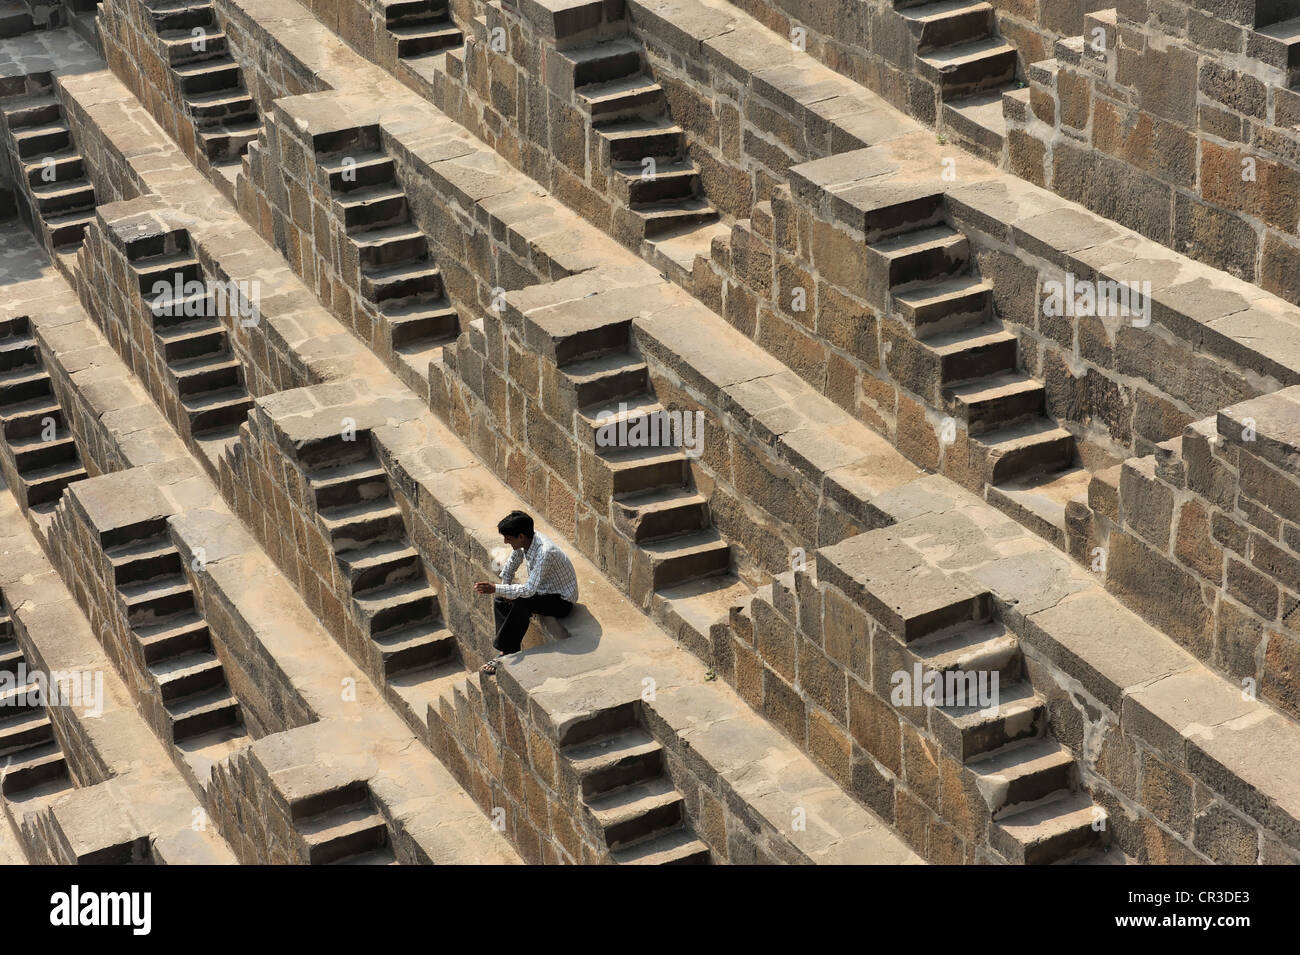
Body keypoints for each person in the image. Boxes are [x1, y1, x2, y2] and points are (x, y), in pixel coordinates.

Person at [474, 510, 577, 675]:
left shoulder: (545, 552)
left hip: (562, 602)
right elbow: (510, 567)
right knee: (501, 600)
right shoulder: (526, 541)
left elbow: (528, 590)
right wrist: (504, 591)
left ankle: (506, 651)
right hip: (544, 592)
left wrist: (495, 588)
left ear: (520, 536)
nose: (505, 541)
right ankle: (509, 648)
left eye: (508, 538)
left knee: (522, 601)